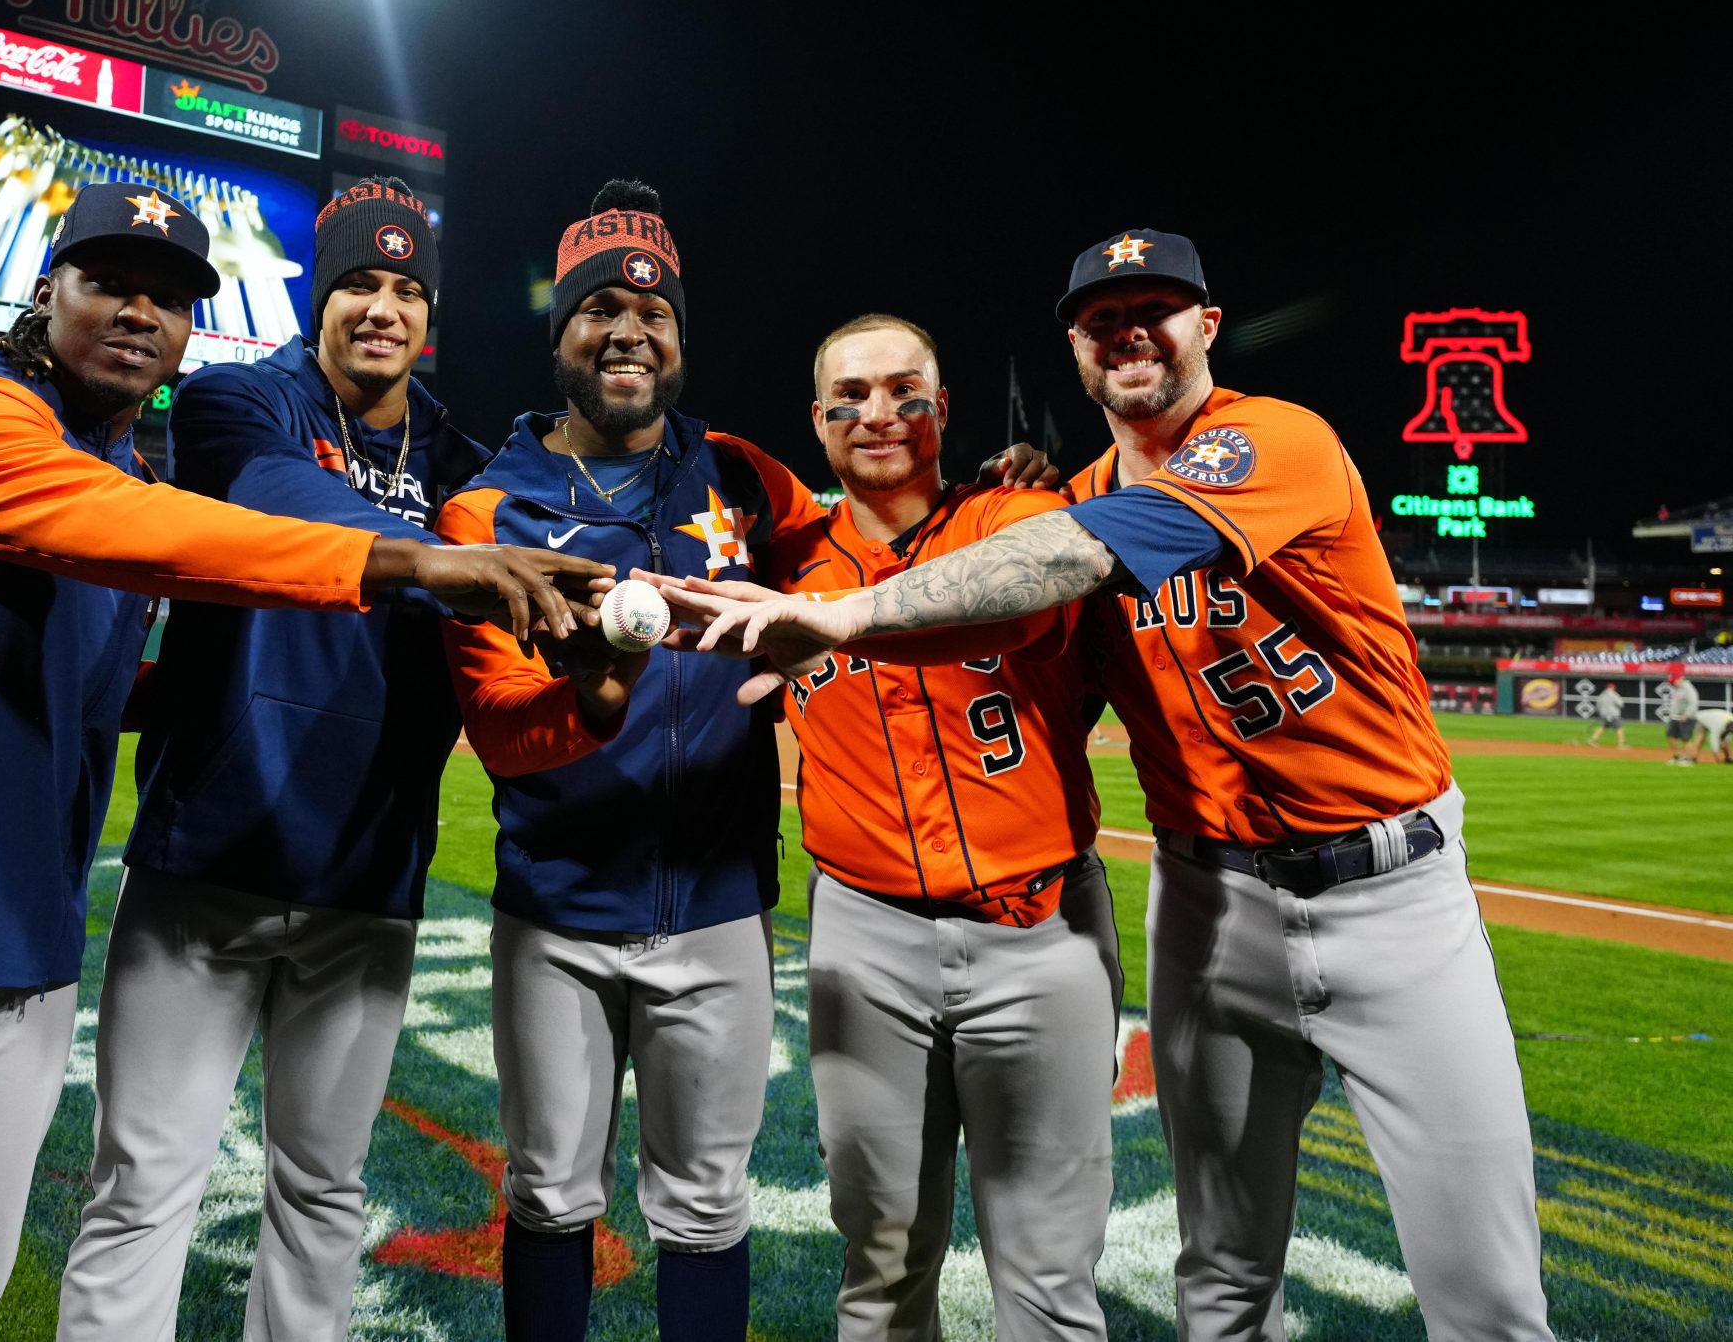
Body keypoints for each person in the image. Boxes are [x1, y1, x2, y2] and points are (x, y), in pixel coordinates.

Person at [0, 182, 606, 1342]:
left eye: (169, 298)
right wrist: (417, 565)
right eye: (110, 283)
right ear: (44, 293)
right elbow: (148, 531)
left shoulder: (133, 475)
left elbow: (139, 676)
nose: (140, 313)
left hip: (24, 956)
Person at [655, 227, 1553, 1341]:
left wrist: (840, 620)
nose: (1128, 333)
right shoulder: (1053, 499)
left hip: (1392, 892)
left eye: (1157, 309)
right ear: (1076, 350)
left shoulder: (1269, 442)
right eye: (1100, 320)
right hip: (1207, 904)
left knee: (1486, 1295)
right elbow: (1010, 659)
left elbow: (1089, 554)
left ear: (1206, 327)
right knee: (1219, 1279)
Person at [60, 178, 501, 1341]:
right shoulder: (230, 402)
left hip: (367, 871)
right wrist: (445, 561)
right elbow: (273, 497)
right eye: (361, 282)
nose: (383, 308)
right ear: (321, 296)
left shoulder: (461, 454)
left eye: (408, 290)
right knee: (143, 1184)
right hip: (207, 856)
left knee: (322, 1192)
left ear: (428, 316)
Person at [435, 179, 822, 1342]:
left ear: (679, 339)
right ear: (558, 334)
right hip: (553, 911)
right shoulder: (485, 511)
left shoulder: (746, 478)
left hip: (715, 910)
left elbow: (857, 566)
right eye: (598, 308)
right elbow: (499, 727)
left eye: (653, 315)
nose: (628, 331)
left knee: (704, 1208)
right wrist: (593, 702)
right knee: (551, 1195)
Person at [768, 314, 1121, 1341]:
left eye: (903, 390)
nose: (877, 413)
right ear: (817, 419)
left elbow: (1055, 584)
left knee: (1049, 1276)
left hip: (1039, 927)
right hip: (863, 931)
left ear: (943, 408)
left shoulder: (1018, 515)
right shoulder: (782, 551)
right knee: (876, 1261)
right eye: (850, 395)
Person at [1663, 667, 1702, 766]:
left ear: (1679, 679)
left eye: (1673, 681)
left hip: (1687, 717)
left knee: (1686, 738)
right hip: (1675, 717)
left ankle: (1690, 760)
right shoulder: (1677, 689)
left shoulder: (1688, 688)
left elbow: (1693, 702)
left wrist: (1687, 714)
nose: (1672, 683)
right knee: (1670, 736)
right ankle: (1678, 757)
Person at [1586, 683, 1626, 748]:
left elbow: (1598, 706)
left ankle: (1593, 740)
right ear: (1613, 688)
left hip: (1604, 714)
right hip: (1613, 714)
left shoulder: (1602, 695)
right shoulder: (1614, 695)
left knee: (1602, 727)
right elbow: (1621, 704)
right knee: (1619, 728)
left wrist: (1601, 712)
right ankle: (1621, 744)